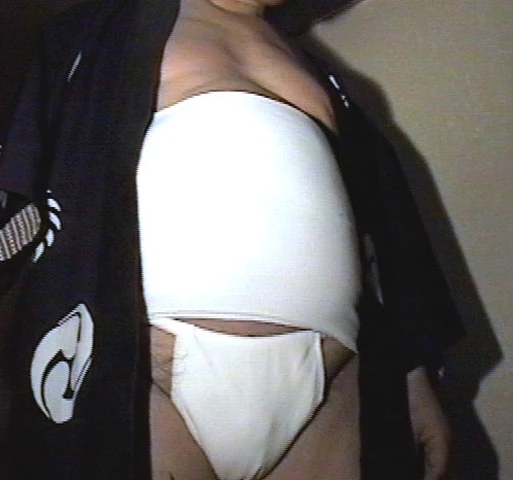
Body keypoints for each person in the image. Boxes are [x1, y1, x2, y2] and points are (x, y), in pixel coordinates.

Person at [0, 0, 464, 479]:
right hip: (142, 383)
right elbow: (22, 171)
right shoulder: (97, 33)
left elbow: (379, 232)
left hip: (332, 393)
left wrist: (412, 373)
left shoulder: (324, 77)